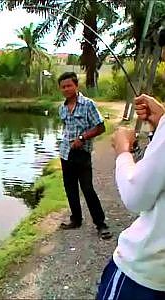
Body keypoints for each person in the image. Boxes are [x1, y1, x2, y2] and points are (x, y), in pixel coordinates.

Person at [97, 94, 165, 299]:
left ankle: (100, 223)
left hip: (145, 275)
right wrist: (160, 126)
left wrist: (123, 150)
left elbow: (136, 197)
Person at [57, 72, 112, 240]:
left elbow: (101, 127)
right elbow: (66, 127)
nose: (66, 89)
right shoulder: (62, 108)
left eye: (69, 85)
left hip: (82, 154)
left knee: (87, 189)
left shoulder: (88, 105)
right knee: (70, 188)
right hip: (66, 153)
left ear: (76, 86)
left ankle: (101, 224)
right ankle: (76, 220)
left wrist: (82, 138)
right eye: (63, 86)